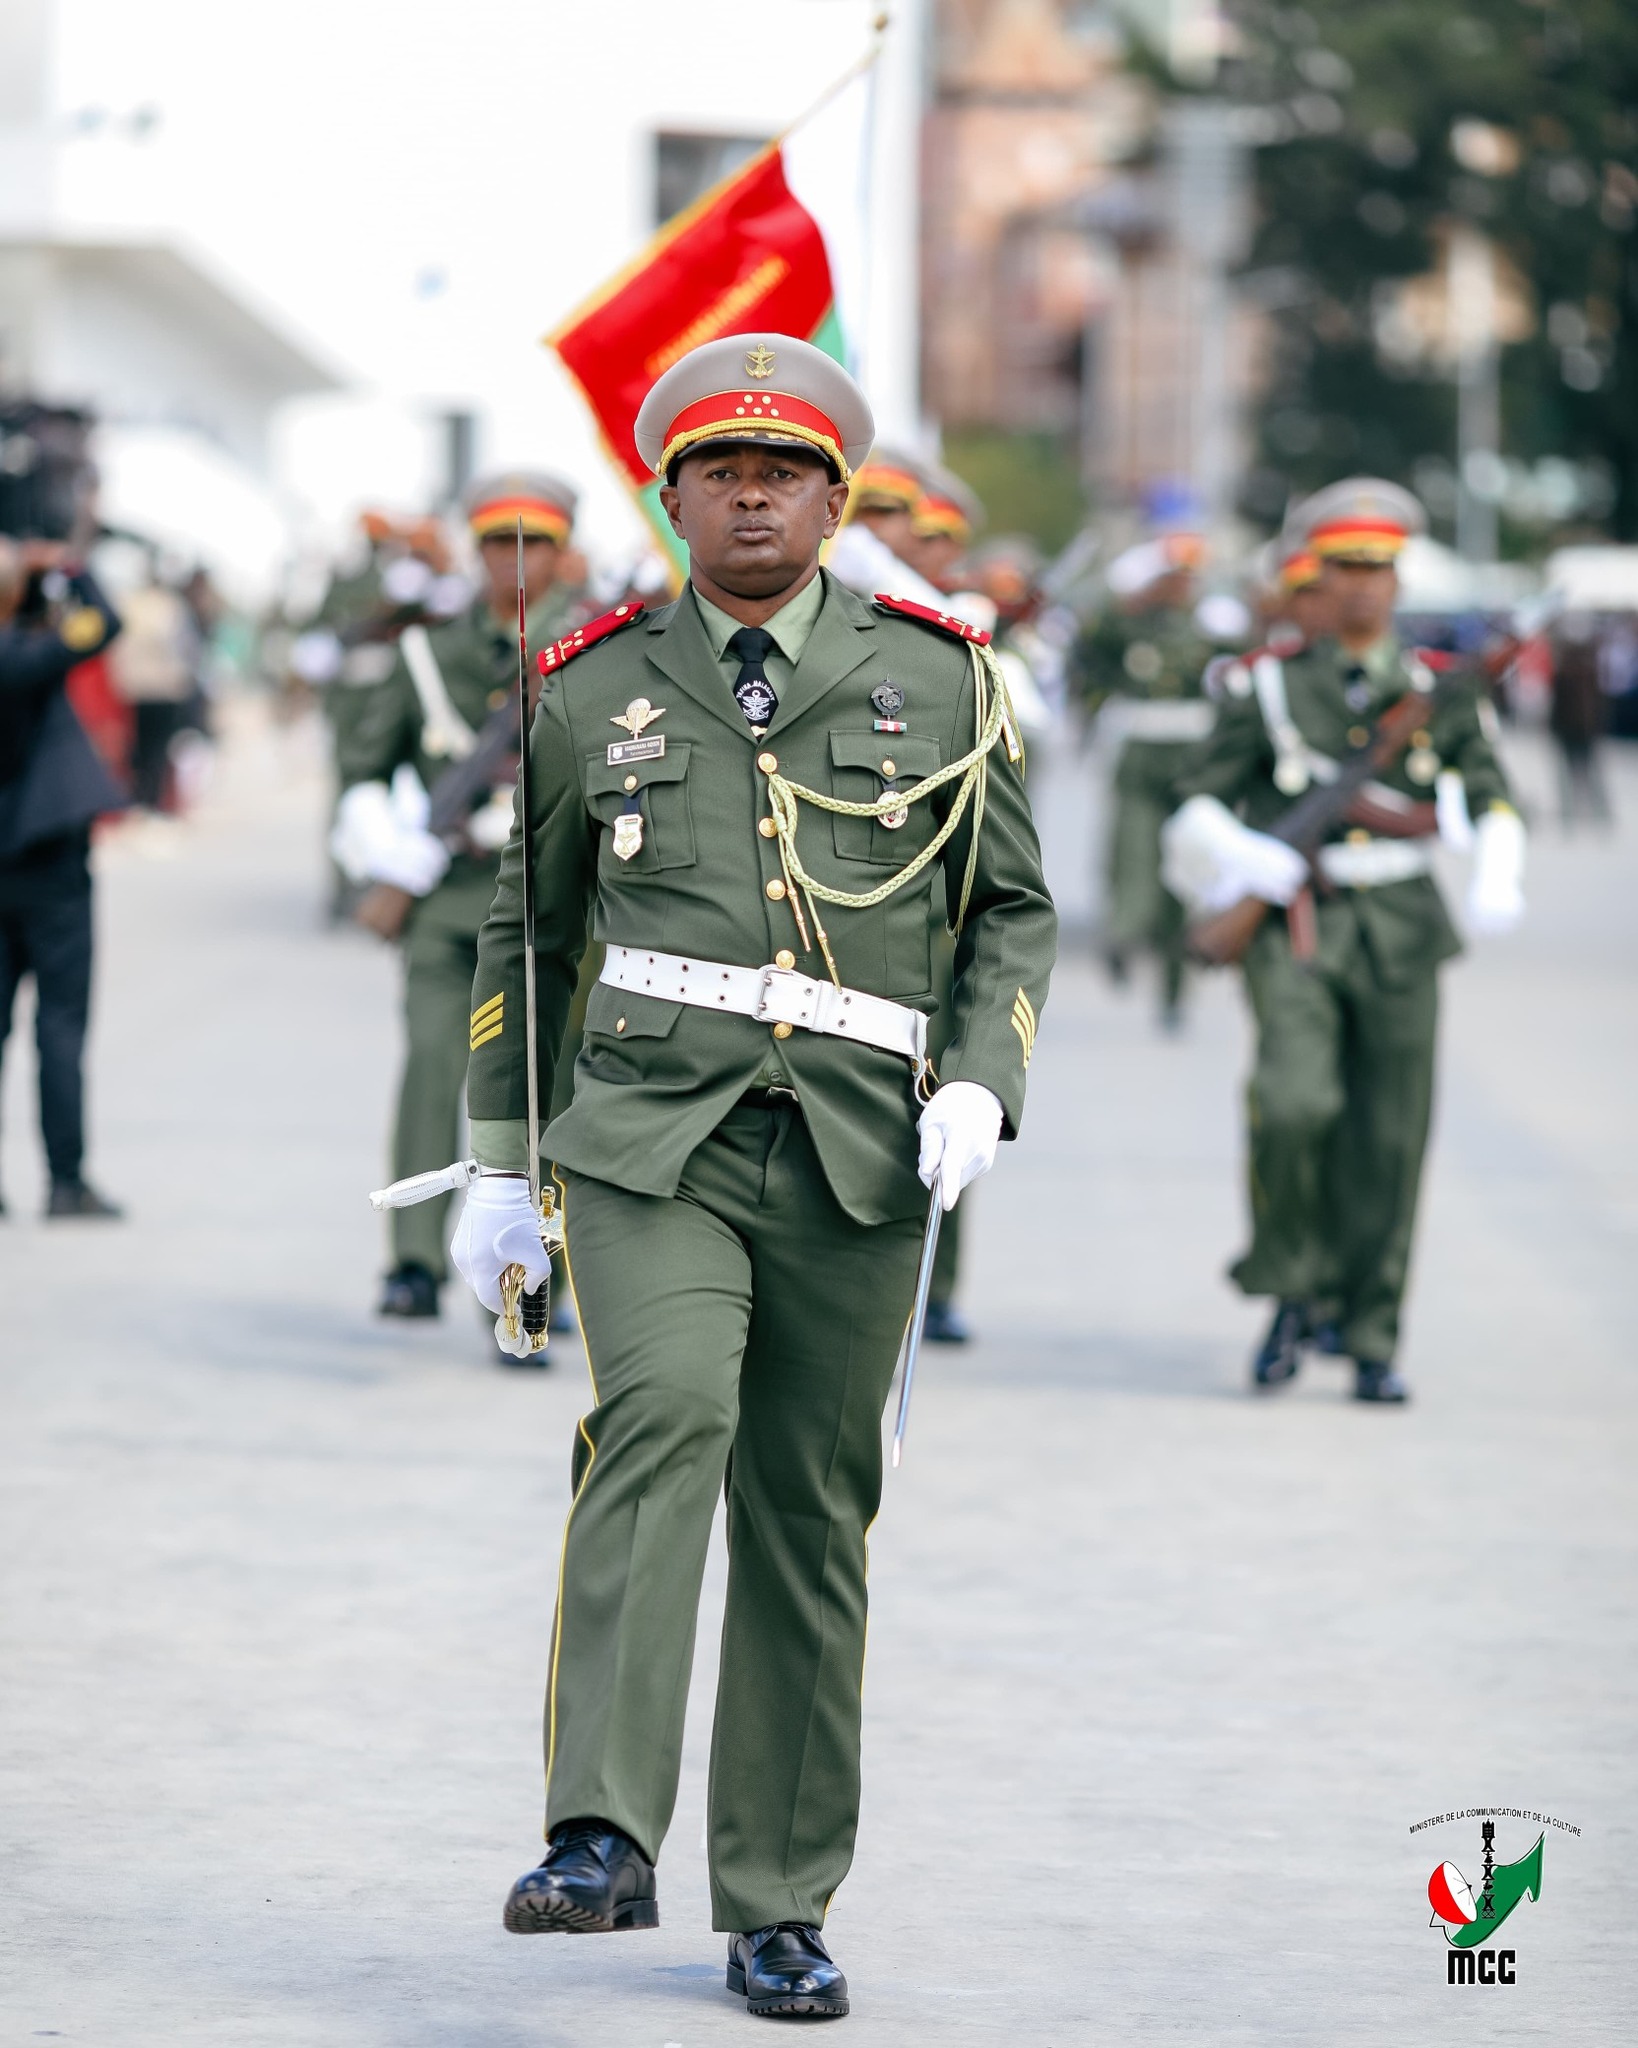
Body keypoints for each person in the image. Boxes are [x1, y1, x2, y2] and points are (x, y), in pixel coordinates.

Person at [451, 333, 1056, 2017]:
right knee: (664, 1413)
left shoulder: (938, 676)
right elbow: (528, 925)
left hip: (860, 1143)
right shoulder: (585, 680)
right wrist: (496, 1160)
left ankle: (777, 1897)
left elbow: (1009, 902)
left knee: (809, 1511)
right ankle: (598, 1831)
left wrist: (988, 1081)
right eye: (718, 469)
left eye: (783, 472)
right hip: (652, 1134)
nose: (751, 493)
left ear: (833, 498)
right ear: (669, 497)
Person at [1162, 479, 1525, 1403]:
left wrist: (1497, 867)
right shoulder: (1268, 683)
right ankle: (1292, 1285)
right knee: (1291, 1104)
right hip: (1298, 926)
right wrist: (1241, 852)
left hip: (1402, 928)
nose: (1364, 587)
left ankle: (1370, 1330)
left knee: (1390, 1135)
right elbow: (1197, 795)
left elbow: (1490, 792)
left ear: (1399, 580)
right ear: (1317, 576)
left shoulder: (1439, 689)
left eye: (1380, 569)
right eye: (1347, 568)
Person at [333, 472, 584, 1327]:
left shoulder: (594, 646)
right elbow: (364, 771)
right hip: (447, 904)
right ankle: (410, 1263)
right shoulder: (425, 653)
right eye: (497, 543)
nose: (516, 560)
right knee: (435, 1070)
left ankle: (525, 1279)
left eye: (537, 543)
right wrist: (388, 843)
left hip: (551, 910)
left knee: (543, 1097)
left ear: (565, 550)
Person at [0, 536, 125, 1217]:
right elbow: (104, 621)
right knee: (61, 1025)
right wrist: (68, 565)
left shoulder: (25, 647)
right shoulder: (28, 656)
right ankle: (66, 1181)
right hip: (47, 864)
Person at [1073, 531, 1224, 1027]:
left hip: (1192, 758)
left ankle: (1176, 990)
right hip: (1141, 752)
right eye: (1172, 574)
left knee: (1184, 874)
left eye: (1187, 575)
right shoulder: (1130, 620)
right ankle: (1123, 937)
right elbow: (1092, 640)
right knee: (1132, 858)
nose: (1181, 584)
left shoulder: (1215, 626)